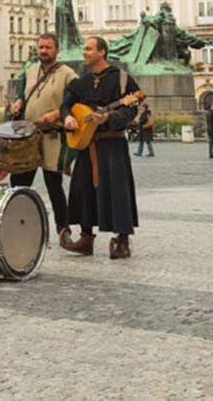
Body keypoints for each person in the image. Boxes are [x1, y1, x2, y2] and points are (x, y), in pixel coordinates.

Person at [61, 36, 139, 259]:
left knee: (117, 190)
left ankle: (122, 240)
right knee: (84, 189)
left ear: (102, 52)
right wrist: (67, 118)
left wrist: (110, 118)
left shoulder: (122, 79)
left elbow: (132, 108)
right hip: (86, 145)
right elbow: (65, 105)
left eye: (89, 49)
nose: (84, 52)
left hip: (112, 144)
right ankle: (86, 238)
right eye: (84, 49)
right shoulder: (80, 82)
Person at [10, 34, 77, 248]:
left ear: (56, 50)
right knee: (19, 182)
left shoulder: (68, 75)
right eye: (40, 47)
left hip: (52, 136)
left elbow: (74, 104)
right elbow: (22, 94)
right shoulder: (29, 72)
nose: (43, 51)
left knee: (54, 184)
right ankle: (20, 226)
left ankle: (63, 228)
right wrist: (18, 103)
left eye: (48, 47)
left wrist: (57, 114)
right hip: (28, 136)